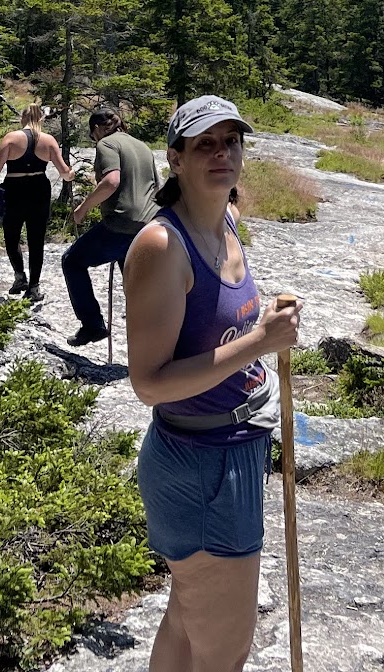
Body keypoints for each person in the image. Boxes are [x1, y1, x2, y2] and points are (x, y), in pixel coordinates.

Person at [124, 95, 302, 672]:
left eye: (232, 141)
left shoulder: (225, 218)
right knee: (224, 653)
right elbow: (148, 384)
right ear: (174, 158)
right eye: (205, 144)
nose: (222, 153)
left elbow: (215, 325)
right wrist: (258, 343)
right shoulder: (161, 246)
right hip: (201, 464)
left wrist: (259, 321)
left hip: (232, 447)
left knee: (186, 621)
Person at [62, 103, 161, 346]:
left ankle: (92, 326)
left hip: (121, 222)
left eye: (91, 133)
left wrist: (82, 208)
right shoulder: (143, 147)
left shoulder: (106, 144)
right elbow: (156, 187)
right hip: (149, 225)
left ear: (97, 128)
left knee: (72, 261)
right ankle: (154, 339)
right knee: (134, 284)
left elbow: (111, 181)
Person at [0, 104, 73, 298]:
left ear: (23, 118)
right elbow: (64, 173)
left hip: (15, 188)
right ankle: (34, 287)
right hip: (39, 189)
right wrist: (72, 174)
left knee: (11, 235)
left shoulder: (11, 138)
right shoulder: (48, 141)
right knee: (36, 239)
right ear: (41, 120)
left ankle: (20, 276)